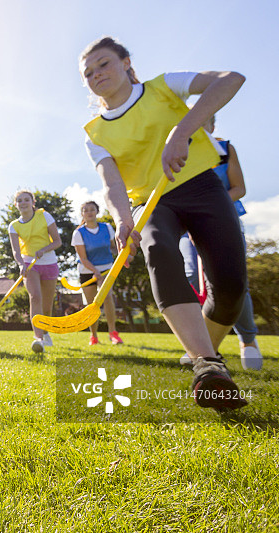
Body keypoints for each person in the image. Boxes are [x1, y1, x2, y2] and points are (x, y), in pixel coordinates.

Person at [80, 36, 248, 411]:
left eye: (104, 64)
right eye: (88, 73)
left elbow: (231, 79)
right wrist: (123, 219)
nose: (96, 75)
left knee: (231, 287)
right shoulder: (95, 132)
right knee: (159, 251)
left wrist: (183, 130)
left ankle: (204, 354)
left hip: (202, 185)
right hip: (151, 203)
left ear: (126, 63)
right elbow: (112, 183)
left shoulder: (164, 87)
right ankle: (207, 365)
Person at [176, 115, 262, 370]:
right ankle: (205, 345)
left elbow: (239, 188)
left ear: (212, 125)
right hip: (188, 228)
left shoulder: (225, 150)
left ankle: (248, 339)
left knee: (233, 280)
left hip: (224, 222)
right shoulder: (178, 152)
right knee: (193, 277)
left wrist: (210, 207)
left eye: (204, 120)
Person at [8, 190, 62, 353]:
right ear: (16, 204)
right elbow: (16, 251)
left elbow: (57, 241)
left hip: (49, 262)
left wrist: (44, 250)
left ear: (33, 202)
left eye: (26, 199)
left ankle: (45, 333)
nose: (23, 203)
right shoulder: (14, 226)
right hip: (29, 264)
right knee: (35, 297)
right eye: (19, 200)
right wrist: (21, 264)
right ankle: (38, 339)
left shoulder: (44, 216)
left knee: (47, 306)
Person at [71, 200, 123, 346]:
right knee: (92, 304)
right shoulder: (78, 233)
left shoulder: (107, 228)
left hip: (106, 268)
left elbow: (113, 247)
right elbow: (83, 258)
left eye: (92, 209)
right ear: (82, 214)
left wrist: (122, 254)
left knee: (108, 297)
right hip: (87, 270)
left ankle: (113, 333)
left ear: (97, 211)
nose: (89, 212)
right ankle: (93, 336)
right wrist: (95, 272)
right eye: (86, 210)